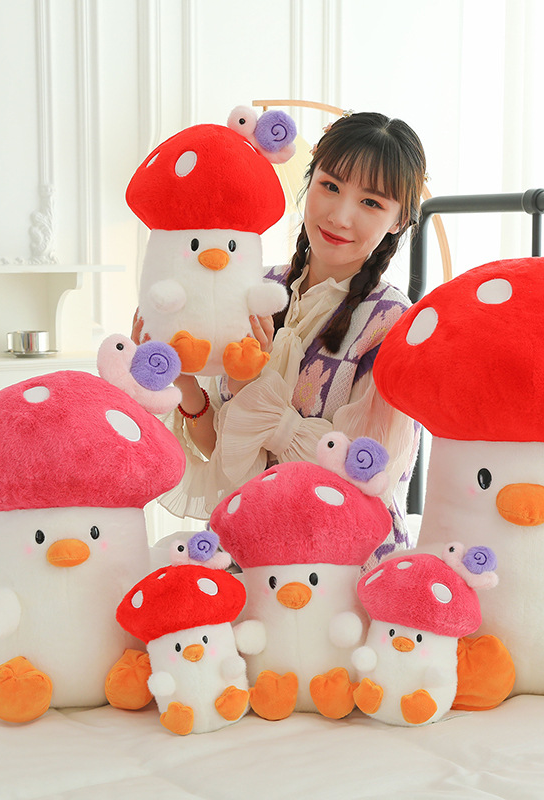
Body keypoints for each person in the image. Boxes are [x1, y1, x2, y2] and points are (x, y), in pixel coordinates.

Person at [157, 111, 427, 567]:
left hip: (338, 567)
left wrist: (253, 388)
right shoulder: (254, 288)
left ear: (399, 220)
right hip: (249, 546)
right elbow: (223, 450)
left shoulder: (392, 323)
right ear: (310, 180)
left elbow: (357, 480)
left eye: (371, 202)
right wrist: (180, 374)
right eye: (331, 186)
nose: (340, 216)